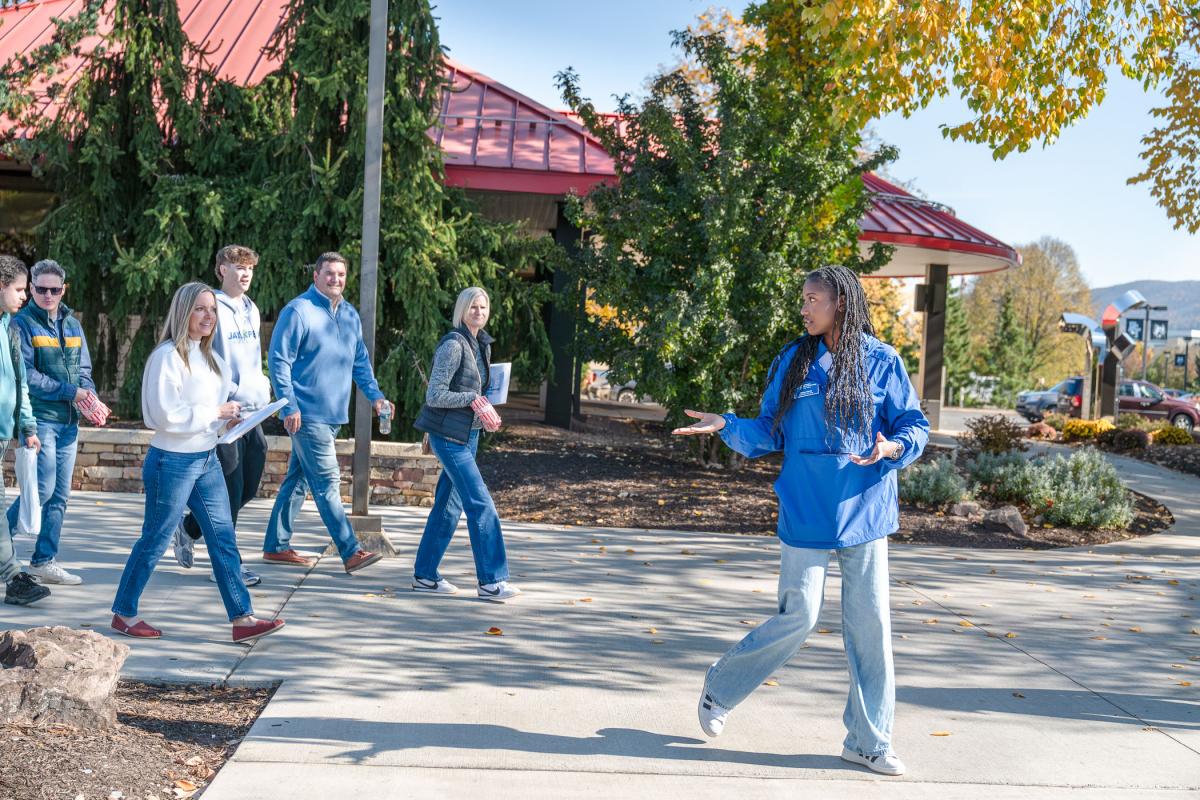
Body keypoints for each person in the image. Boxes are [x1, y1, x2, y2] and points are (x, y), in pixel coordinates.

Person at [674, 264, 929, 777]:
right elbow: (769, 430)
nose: (804, 307)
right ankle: (720, 688)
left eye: (813, 299)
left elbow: (913, 424)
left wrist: (894, 445)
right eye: (804, 299)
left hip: (865, 509)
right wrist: (726, 424)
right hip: (806, 505)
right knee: (800, 615)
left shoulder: (882, 361)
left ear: (841, 303)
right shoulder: (794, 360)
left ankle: (868, 741)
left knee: (870, 630)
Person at [110, 282, 284, 642]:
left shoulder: (213, 360)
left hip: (206, 459)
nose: (208, 316)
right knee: (155, 539)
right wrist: (215, 412)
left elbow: (208, 419)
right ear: (183, 312)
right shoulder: (166, 357)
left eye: (212, 310)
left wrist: (227, 421)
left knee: (223, 538)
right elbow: (161, 416)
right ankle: (124, 613)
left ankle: (243, 619)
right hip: (171, 461)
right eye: (200, 309)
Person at [263, 252, 392, 573]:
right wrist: (288, 404)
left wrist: (376, 398)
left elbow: (359, 362)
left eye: (341, 274)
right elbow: (279, 360)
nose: (336, 279)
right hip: (306, 415)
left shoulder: (348, 315)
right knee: (327, 482)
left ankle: (276, 546)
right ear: (316, 276)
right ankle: (351, 551)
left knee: (297, 481)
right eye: (330, 273)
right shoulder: (299, 311)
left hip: (333, 416)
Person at [411, 287, 519, 602]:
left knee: (448, 506)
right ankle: (491, 581)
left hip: (468, 436)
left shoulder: (480, 345)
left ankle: (425, 575)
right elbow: (434, 394)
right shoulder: (453, 345)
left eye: (484, 306)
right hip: (449, 437)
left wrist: (488, 399)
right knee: (480, 503)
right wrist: (473, 398)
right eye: (473, 306)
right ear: (462, 310)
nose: (479, 311)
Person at [172, 246, 269, 588]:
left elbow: (252, 358)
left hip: (252, 412)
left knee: (248, 487)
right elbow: (207, 356)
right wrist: (226, 397)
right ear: (220, 270)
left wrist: (261, 387)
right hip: (225, 412)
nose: (244, 274)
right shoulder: (212, 307)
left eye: (249, 268)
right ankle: (227, 565)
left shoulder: (251, 308)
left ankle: (189, 527)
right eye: (237, 267)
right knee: (229, 489)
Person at [4, 259, 95, 587]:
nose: (47, 294)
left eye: (54, 289)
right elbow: (26, 375)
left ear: (63, 290)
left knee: (60, 494)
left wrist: (90, 398)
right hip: (41, 418)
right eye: (40, 289)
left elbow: (85, 369)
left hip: (69, 422)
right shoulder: (22, 324)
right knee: (40, 487)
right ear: (31, 289)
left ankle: (43, 561)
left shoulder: (72, 323)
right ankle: (4, 551)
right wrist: (73, 391)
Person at [0, 255, 45, 606]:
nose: (24, 297)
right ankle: (14, 577)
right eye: (18, 289)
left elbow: (20, 384)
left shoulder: (10, 328)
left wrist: (27, 426)